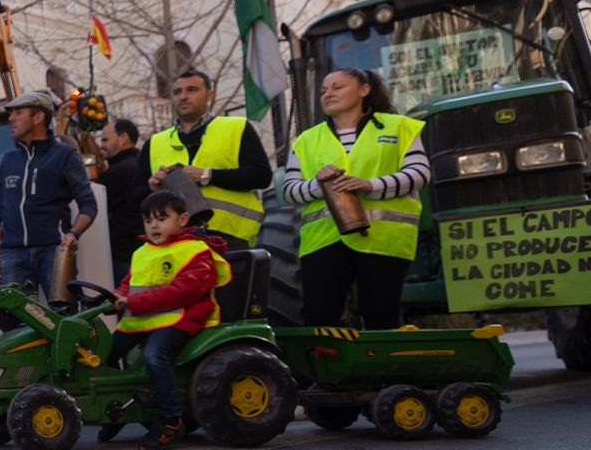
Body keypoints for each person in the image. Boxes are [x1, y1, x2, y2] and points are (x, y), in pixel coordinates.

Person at [282, 67, 428, 328]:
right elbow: (290, 190)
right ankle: (327, 368)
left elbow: (419, 174)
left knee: (381, 318)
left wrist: (369, 185)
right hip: (323, 242)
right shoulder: (306, 140)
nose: (328, 94)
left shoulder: (400, 127)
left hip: (384, 240)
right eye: (324, 90)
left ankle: (380, 367)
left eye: (337, 87)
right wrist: (320, 185)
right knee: (320, 320)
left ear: (364, 90)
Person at [110, 191, 227, 450]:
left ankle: (171, 420)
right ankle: (115, 406)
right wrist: (118, 296)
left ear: (183, 219)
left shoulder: (196, 251)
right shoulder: (142, 252)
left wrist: (133, 303)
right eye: (148, 220)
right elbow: (130, 284)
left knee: (155, 355)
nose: (154, 225)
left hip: (182, 318)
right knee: (103, 351)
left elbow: (184, 292)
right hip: (145, 318)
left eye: (162, 218)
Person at [145, 69, 273, 246]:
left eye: (191, 90)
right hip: (174, 241)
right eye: (177, 92)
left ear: (210, 95)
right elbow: (135, 197)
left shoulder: (236, 127)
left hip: (230, 236)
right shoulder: (154, 143)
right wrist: (152, 186)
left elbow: (262, 176)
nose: (183, 96)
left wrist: (207, 175)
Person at [0, 89, 96, 302]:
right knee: (15, 327)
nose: (11, 119)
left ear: (38, 117)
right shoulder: (8, 160)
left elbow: (89, 205)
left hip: (53, 252)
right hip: (11, 254)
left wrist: (74, 234)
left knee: (64, 321)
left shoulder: (65, 156)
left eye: (18, 113)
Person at [98, 117, 150, 284]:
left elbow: (97, 208)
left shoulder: (120, 171)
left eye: (105, 139)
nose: (101, 145)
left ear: (123, 139)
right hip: (139, 251)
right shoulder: (142, 165)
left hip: (122, 255)